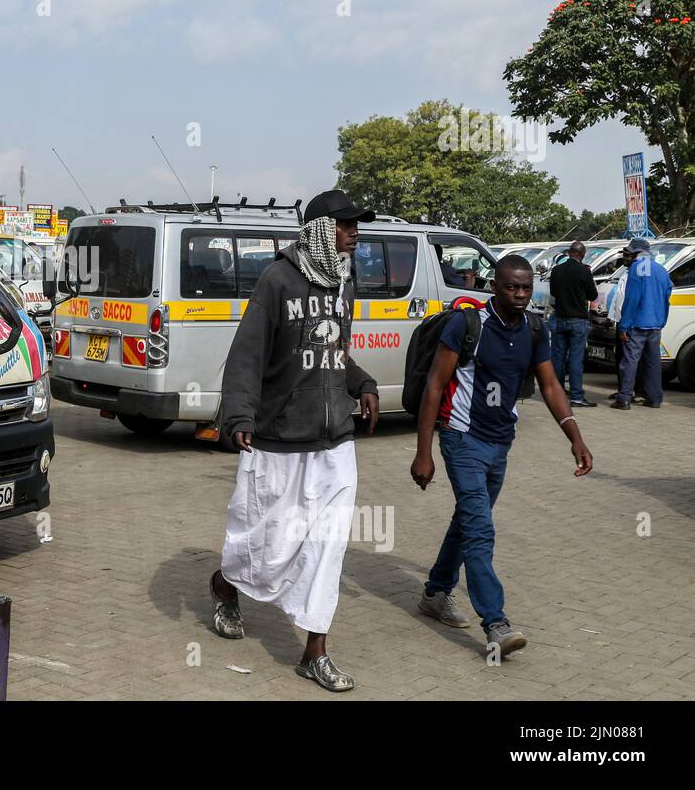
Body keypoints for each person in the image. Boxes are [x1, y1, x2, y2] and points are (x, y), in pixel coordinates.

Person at [210, 189, 380, 693]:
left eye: (357, 225)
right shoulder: (277, 280)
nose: (356, 233)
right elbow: (247, 353)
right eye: (348, 225)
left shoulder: (345, 284)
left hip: (335, 443)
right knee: (268, 542)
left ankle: (315, 652)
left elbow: (332, 353)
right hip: (280, 439)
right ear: (322, 229)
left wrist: (362, 383)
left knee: (328, 545)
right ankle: (225, 584)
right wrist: (238, 413)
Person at [411, 254, 592, 658]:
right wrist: (424, 453)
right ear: (495, 286)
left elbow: (549, 386)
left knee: (467, 521)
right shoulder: (467, 324)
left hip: (500, 443)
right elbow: (435, 386)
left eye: (526, 287)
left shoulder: (533, 328)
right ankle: (495, 622)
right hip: (462, 439)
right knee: (480, 529)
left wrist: (574, 436)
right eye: (512, 286)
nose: (521, 294)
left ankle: (436, 592)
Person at [612, 238, 673, 410]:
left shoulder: (637, 268)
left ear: (637, 253)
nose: (628, 256)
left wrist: (624, 325)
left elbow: (632, 299)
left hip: (637, 324)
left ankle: (624, 398)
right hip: (655, 324)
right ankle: (654, 398)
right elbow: (666, 298)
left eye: (630, 253)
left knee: (630, 361)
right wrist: (662, 320)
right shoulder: (662, 270)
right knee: (653, 362)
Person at [548, 240, 598, 406]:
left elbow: (554, 292)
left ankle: (556, 393)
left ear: (569, 252)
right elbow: (592, 295)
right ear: (582, 255)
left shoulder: (556, 270)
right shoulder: (584, 271)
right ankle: (576, 396)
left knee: (557, 358)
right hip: (578, 320)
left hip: (560, 318)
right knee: (576, 359)